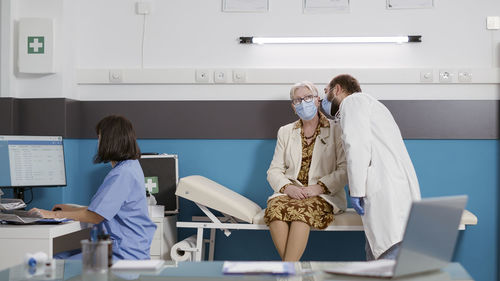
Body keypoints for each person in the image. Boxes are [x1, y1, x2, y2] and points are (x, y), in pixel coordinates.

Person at [321, 74, 421, 260]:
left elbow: (357, 146)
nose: (322, 99)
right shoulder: (370, 105)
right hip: (394, 188)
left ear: (338, 89)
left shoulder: (352, 102)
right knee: (384, 255)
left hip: (386, 191)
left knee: (387, 258)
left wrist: (356, 191)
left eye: (326, 91)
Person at [30, 115, 157, 260]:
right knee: (56, 258)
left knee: (53, 264)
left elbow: (96, 215)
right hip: (124, 249)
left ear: (109, 140)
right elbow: (100, 210)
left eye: (99, 137)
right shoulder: (131, 167)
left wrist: (53, 215)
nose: (98, 143)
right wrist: (69, 209)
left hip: (121, 254)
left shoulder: (122, 174)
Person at [265, 81, 348, 261]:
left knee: (301, 212)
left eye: (308, 97)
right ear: (293, 107)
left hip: (323, 195)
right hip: (290, 193)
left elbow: (344, 170)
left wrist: (317, 188)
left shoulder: (336, 129)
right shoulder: (286, 132)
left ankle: (287, 273)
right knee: (275, 210)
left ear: (318, 100)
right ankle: (292, 273)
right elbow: (274, 171)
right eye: (298, 100)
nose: (303, 103)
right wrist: (288, 188)